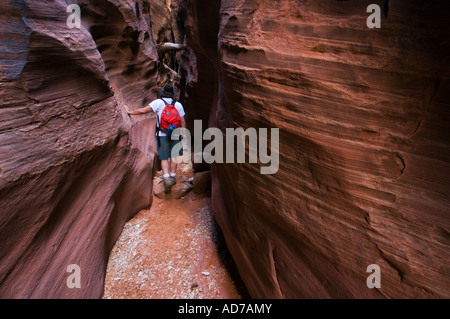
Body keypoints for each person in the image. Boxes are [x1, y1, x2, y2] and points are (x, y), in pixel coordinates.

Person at [125, 84, 186, 192]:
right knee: (174, 156)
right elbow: (182, 120)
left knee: (164, 157)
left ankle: (166, 177)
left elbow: (143, 110)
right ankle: (173, 176)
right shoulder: (178, 105)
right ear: (173, 94)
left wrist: (130, 112)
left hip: (162, 134)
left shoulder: (158, 103)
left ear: (162, 93)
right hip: (175, 134)